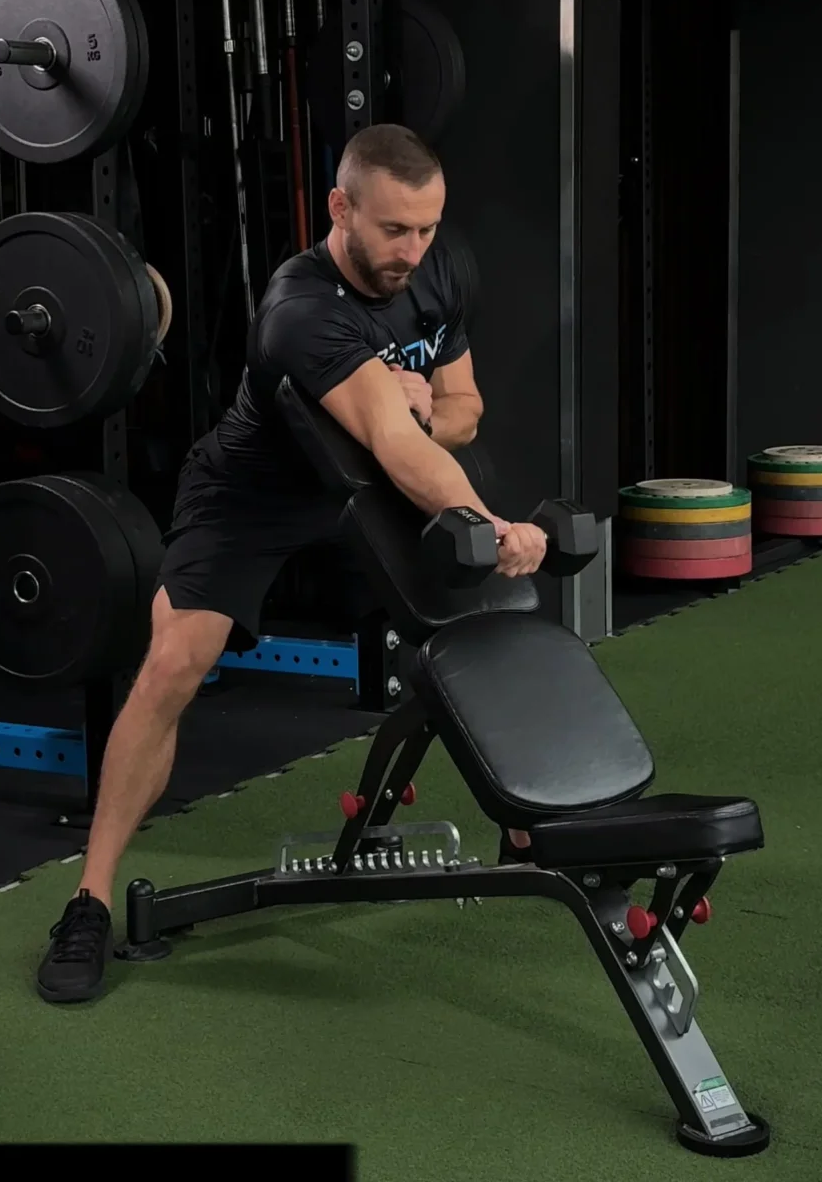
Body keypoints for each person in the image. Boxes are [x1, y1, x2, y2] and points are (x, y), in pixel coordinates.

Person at [35, 123, 546, 1003]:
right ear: (340, 208)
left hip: (366, 488)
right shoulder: (299, 309)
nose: (413, 251)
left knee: (481, 626)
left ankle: (530, 828)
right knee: (172, 666)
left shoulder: (435, 269)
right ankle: (88, 901)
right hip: (255, 494)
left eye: (427, 229)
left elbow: (463, 408)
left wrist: (429, 411)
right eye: (394, 230)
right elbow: (393, 441)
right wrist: (489, 521)